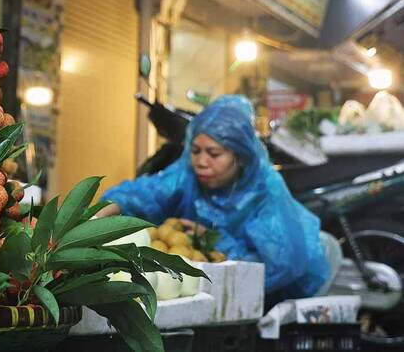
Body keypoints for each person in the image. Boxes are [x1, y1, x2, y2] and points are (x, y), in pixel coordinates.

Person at [97, 95, 329, 305]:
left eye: (214, 153)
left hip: (267, 300)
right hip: (204, 290)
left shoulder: (265, 190)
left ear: (239, 156)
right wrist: (97, 218)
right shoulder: (188, 173)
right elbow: (145, 193)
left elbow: (279, 266)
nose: (201, 161)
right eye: (195, 150)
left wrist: (217, 243)